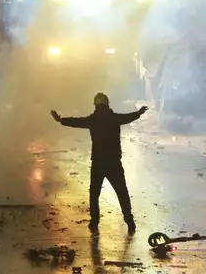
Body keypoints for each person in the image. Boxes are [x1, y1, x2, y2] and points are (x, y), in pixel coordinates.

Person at [51, 93, 148, 234]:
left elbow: (77, 122)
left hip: (98, 163)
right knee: (122, 192)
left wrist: (61, 120)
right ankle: (129, 221)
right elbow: (128, 117)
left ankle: (94, 221)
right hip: (114, 162)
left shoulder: (93, 120)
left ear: (96, 105)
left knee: (94, 193)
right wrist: (139, 113)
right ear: (107, 104)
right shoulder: (114, 118)